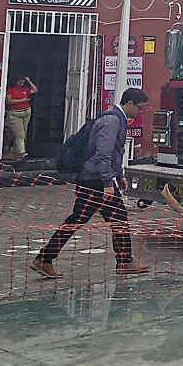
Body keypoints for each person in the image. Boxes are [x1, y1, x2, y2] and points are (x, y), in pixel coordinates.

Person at [31, 88, 151, 279]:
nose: (140, 112)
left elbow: (114, 154)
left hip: (94, 178)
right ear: (129, 103)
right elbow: (103, 154)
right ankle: (45, 258)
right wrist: (108, 183)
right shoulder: (112, 121)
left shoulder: (115, 119)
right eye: (140, 108)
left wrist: (119, 175)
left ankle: (124, 260)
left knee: (95, 219)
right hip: (94, 180)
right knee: (105, 219)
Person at [3, 76, 37, 162]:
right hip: (14, 114)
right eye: (20, 82)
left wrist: (29, 81)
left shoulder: (25, 89)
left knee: (23, 133)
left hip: (26, 112)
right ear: (16, 81)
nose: (21, 84)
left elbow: (35, 90)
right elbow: (8, 101)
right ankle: (21, 153)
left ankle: (16, 153)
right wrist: (22, 100)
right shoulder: (11, 90)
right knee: (20, 134)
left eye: (23, 82)